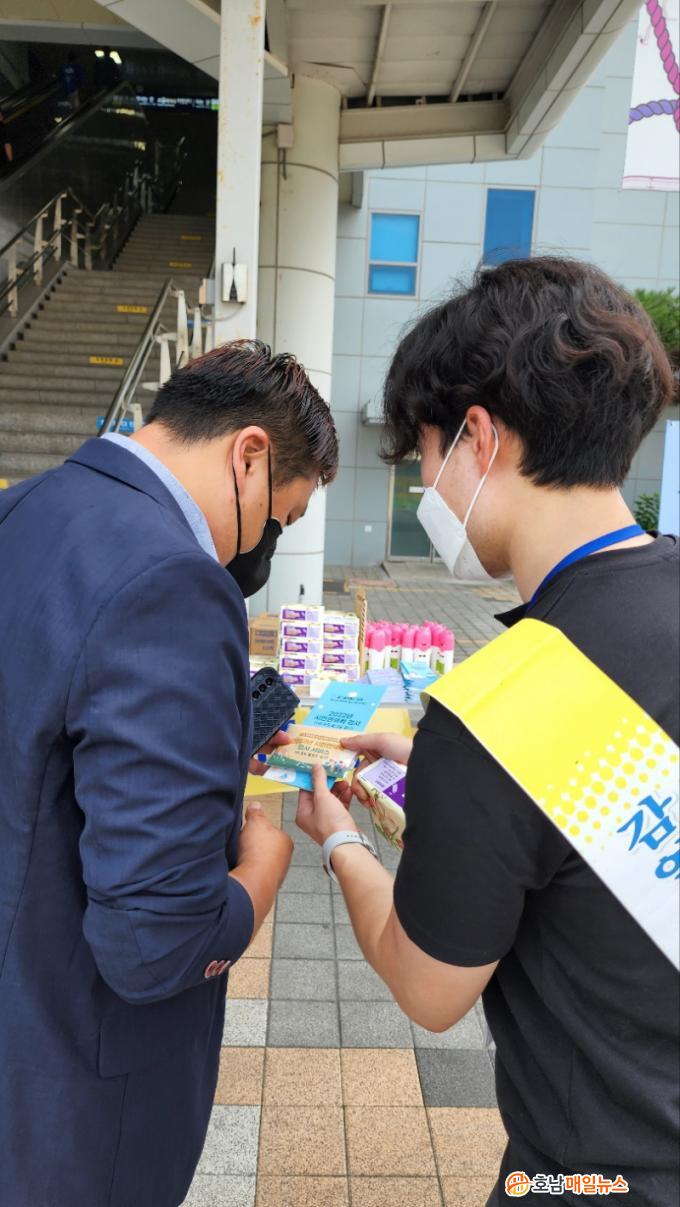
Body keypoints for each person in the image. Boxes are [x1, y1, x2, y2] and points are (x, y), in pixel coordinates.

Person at [296, 258, 679, 1206]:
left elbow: (430, 988)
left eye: (425, 456)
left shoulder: (504, 708)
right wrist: (451, 777)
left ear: (478, 436)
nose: (425, 487)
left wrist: (341, 841)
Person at [0, 340, 338, 1207]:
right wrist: (263, 870)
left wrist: (205, 749)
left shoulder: (24, 506)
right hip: (74, 1110)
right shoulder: (174, 581)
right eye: (280, 520)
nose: (265, 547)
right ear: (249, 455)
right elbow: (156, 944)